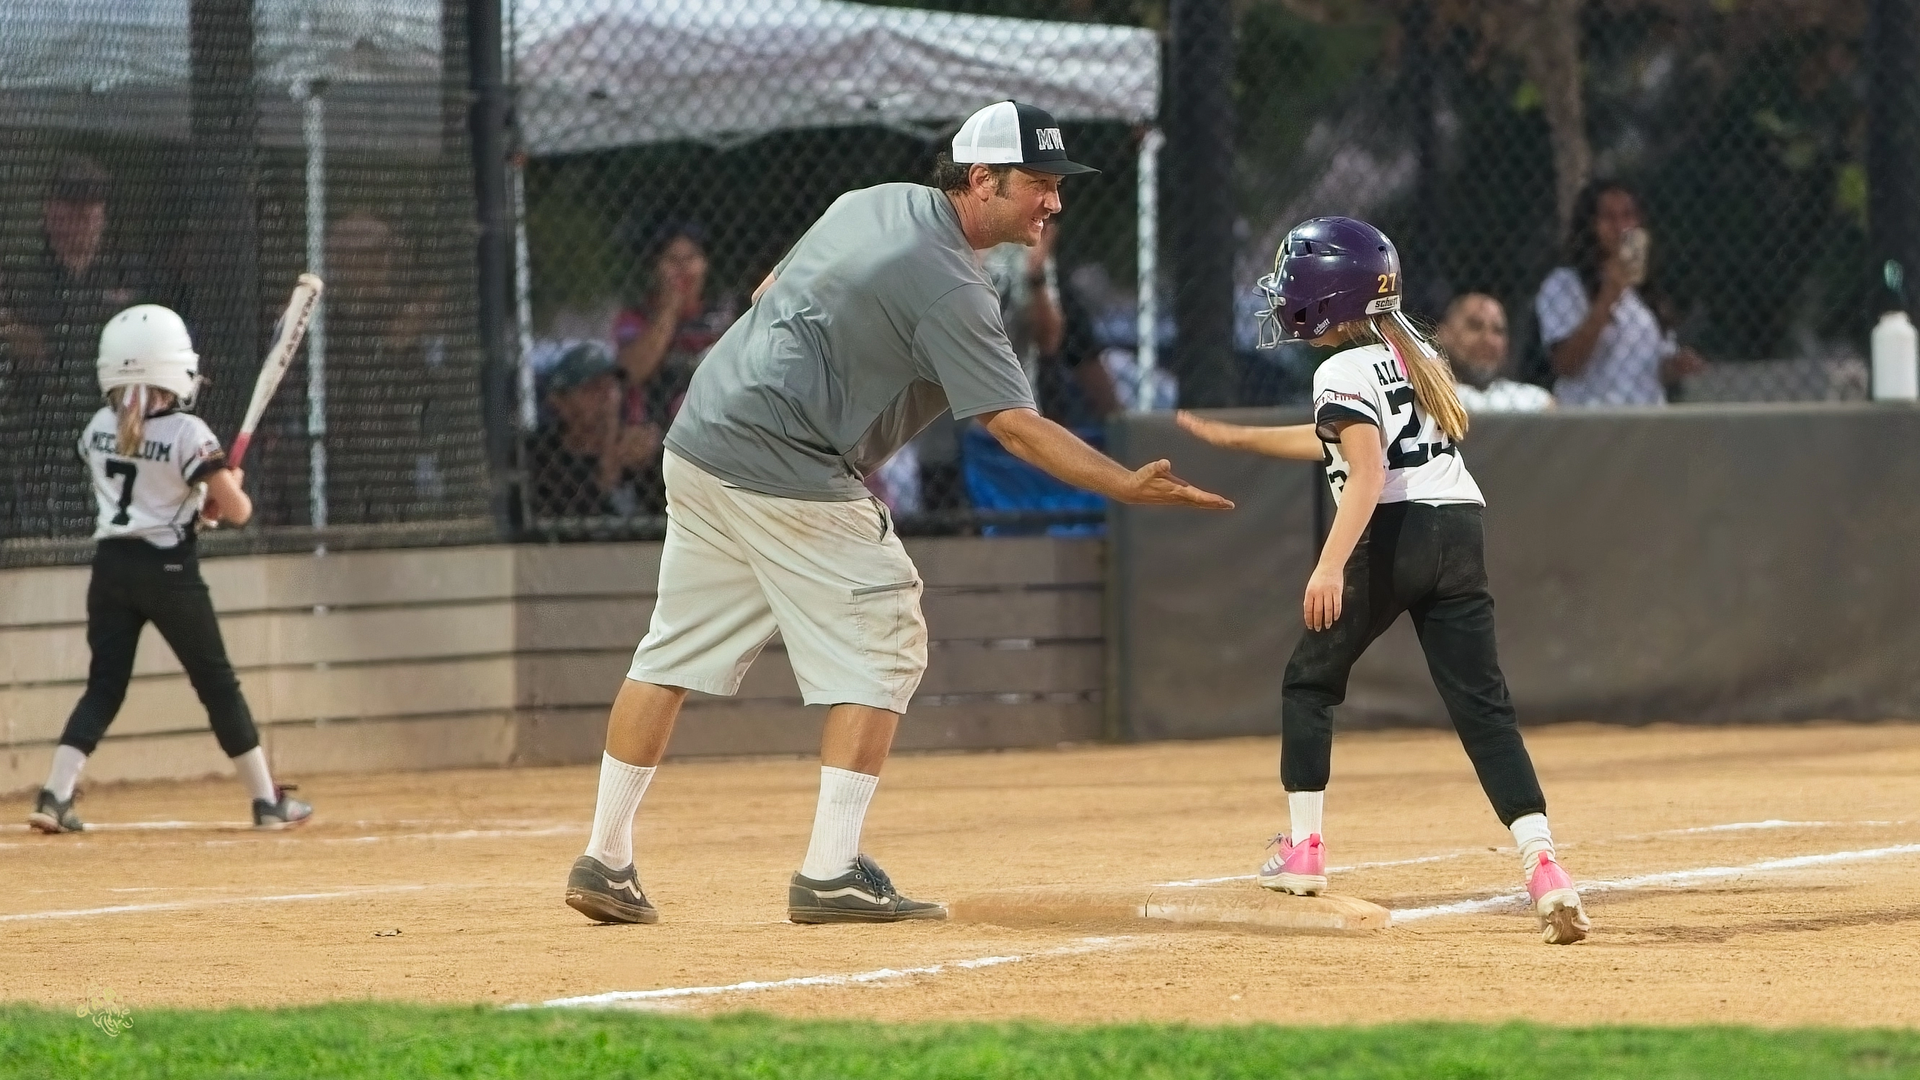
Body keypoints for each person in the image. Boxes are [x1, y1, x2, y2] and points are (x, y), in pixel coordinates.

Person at [563, 99, 1230, 927]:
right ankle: (831, 870)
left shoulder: (870, 201)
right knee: (889, 636)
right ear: (981, 179)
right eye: (1040, 184)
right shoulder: (953, 284)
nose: (1054, 202)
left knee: (671, 651)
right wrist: (1125, 485)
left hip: (702, 434)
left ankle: (606, 857)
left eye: (1058, 186)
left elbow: (774, 287)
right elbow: (1015, 427)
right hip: (784, 461)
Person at [1174, 217, 1588, 946]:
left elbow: (1365, 473)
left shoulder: (1337, 370)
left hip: (1394, 530)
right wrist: (1238, 438)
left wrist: (1331, 562)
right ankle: (1544, 865)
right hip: (1460, 529)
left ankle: (1303, 852)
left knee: (1309, 683)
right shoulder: (1412, 349)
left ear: (1331, 294)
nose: (1287, 294)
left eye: (1298, 282)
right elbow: (1346, 439)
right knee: (1484, 710)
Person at [26, 305, 312, 834]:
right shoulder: (188, 431)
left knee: (104, 685)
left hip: (110, 569)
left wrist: (206, 496)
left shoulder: (98, 426)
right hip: (169, 571)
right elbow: (237, 512)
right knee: (217, 685)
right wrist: (225, 485)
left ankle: (54, 794)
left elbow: (161, 496)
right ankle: (266, 800)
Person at [0, 155, 150, 539]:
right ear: (50, 211)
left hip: (116, 439)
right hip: (44, 444)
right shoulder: (23, 280)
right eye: (71, 205)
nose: (83, 217)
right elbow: (24, 349)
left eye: (92, 205)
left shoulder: (127, 276)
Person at [1535, 181, 1703, 406]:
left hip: (1645, 417)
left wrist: (1675, 365)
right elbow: (1566, 364)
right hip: (1591, 417)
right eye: (1608, 217)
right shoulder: (1564, 284)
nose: (1620, 227)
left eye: (1628, 216)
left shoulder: (1645, 292)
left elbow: (1652, 367)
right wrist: (1608, 295)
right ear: (1590, 225)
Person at [612, 222, 737, 431]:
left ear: (705, 265)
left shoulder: (723, 317)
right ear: (655, 268)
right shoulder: (635, 318)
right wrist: (669, 311)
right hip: (652, 432)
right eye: (672, 259)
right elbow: (631, 372)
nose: (683, 268)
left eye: (691, 258)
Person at [527, 342, 661, 518]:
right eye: (593, 387)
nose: (608, 396)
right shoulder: (542, 454)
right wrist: (609, 447)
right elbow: (578, 520)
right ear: (561, 402)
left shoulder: (637, 443)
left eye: (612, 385)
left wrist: (657, 453)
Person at [1436, 293, 1554, 412]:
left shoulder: (1533, 400)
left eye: (1498, 330)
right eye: (1475, 326)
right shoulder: (1428, 393)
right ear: (1444, 334)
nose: (1488, 340)